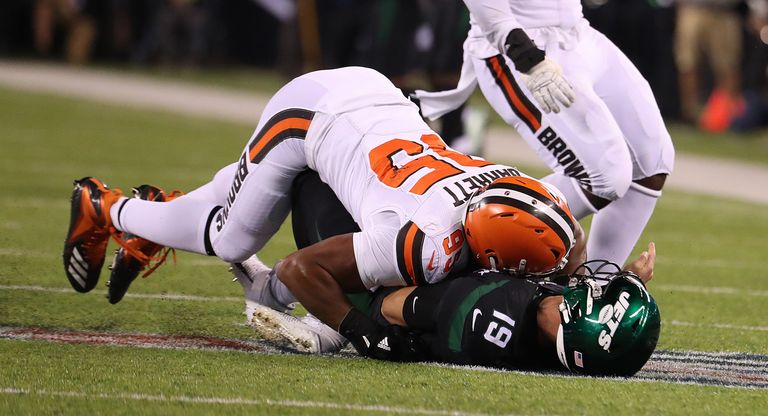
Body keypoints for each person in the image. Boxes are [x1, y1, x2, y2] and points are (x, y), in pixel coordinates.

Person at [62, 66, 584, 361]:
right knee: (231, 239)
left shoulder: (512, 188)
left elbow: (563, 237)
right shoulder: (426, 243)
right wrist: (359, 328)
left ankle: (160, 212)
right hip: (311, 115)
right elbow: (297, 269)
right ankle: (108, 207)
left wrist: (596, 281)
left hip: (374, 99)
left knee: (242, 189)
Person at [236, 170, 660, 376]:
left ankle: (313, 319)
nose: (594, 287)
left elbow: (391, 306)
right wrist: (629, 281)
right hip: (457, 289)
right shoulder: (549, 323)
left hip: (382, 297)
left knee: (313, 183)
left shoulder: (490, 312)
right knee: (554, 235)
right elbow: (573, 257)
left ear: (581, 324)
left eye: (597, 299)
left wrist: (348, 322)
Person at [412, 0, 675, 273]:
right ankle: (457, 240)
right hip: (519, 44)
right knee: (606, 176)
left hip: (578, 32)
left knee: (651, 162)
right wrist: (524, 54)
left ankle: (593, 288)